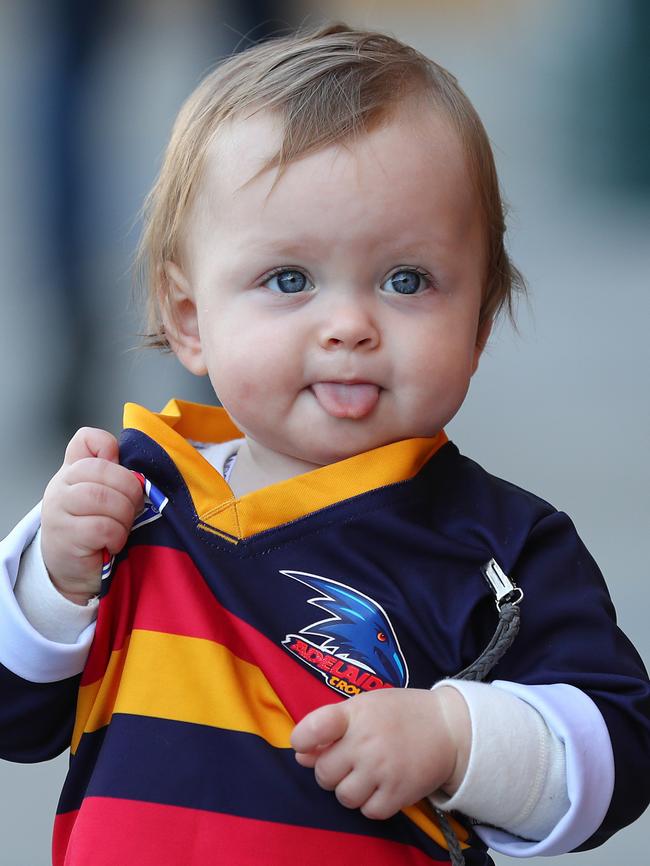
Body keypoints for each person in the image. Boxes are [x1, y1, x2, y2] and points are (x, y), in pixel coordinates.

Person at [1, 23, 649, 866]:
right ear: (189, 319)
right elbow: (16, 717)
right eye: (289, 280)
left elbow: (617, 754)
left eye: (406, 280)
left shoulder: (499, 547)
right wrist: (52, 583)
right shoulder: (131, 496)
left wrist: (455, 737)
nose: (349, 326)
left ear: (480, 322)